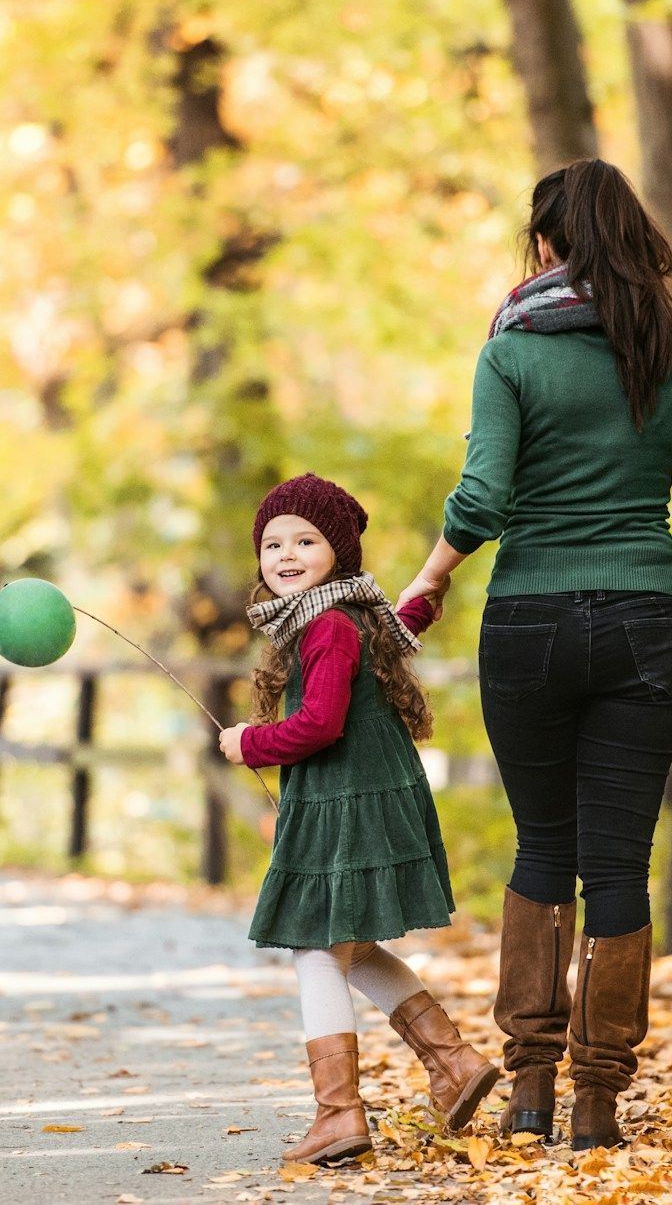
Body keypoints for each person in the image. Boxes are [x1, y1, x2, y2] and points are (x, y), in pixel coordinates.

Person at [396, 158, 672, 1150]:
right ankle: (599, 1099)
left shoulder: (511, 351)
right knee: (620, 864)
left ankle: (531, 1088)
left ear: (548, 246)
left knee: (544, 846)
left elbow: (485, 498)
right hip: (642, 623)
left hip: (531, 625)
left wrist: (430, 580)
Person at [219, 473, 498, 1165]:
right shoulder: (349, 613)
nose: (286, 553)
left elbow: (320, 723)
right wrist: (426, 598)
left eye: (305, 540)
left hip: (349, 800)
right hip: (356, 795)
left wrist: (247, 742)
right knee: (352, 945)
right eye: (273, 542)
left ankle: (339, 1114)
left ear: (337, 552)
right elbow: (403, 625)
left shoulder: (330, 625)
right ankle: (454, 1062)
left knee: (317, 947)